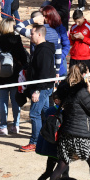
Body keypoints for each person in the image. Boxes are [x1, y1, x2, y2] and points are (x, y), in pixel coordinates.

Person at [48, 63, 90, 180]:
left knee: (60, 166)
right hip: (82, 136)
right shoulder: (81, 92)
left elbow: (56, 97)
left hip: (66, 134)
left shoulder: (65, 88)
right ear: (84, 74)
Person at [0, 18, 28, 136]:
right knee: (16, 101)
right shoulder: (17, 40)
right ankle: (16, 125)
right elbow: (24, 58)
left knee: (3, 101)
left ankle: (3, 126)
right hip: (15, 75)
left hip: (0, 76)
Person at [20, 25, 56, 153]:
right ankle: (50, 136)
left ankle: (34, 142)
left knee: (35, 114)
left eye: (33, 33)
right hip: (44, 87)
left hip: (42, 88)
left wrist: (37, 91)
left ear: (39, 34)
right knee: (47, 112)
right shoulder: (41, 49)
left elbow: (44, 73)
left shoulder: (44, 51)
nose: (30, 35)